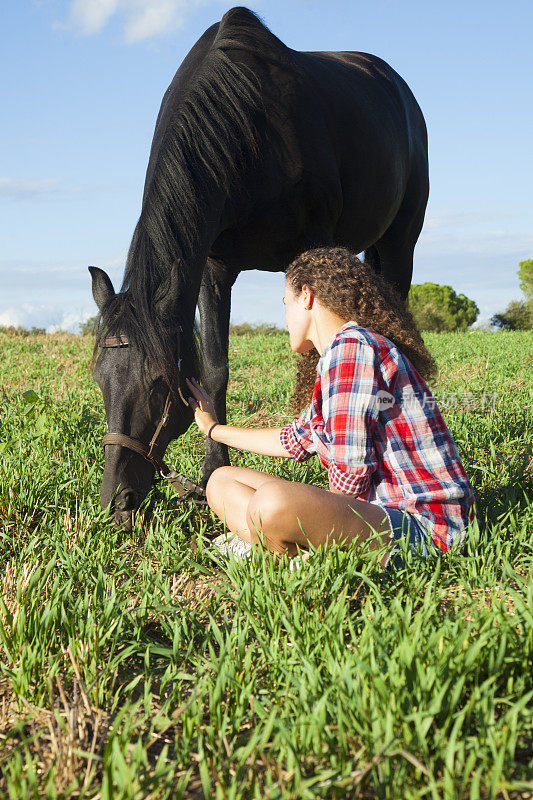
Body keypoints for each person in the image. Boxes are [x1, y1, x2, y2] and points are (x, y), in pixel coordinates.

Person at [186, 247, 476, 568]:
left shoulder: (352, 348)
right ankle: (284, 551)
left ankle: (284, 553)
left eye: (285, 304)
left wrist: (310, 512)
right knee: (222, 481)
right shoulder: (336, 358)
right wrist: (213, 428)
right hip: (375, 514)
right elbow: (293, 440)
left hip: (423, 528)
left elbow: (350, 477)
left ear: (306, 296)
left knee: (271, 503)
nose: (284, 321)